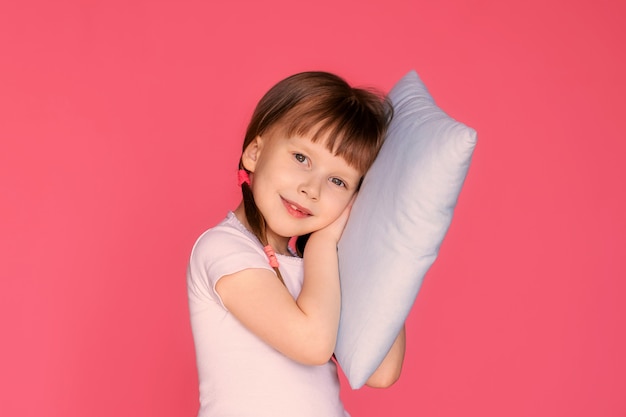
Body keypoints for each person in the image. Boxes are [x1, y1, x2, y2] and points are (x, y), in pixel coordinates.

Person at [187, 71, 406, 417]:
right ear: (255, 153)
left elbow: (381, 370)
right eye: (301, 158)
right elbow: (312, 343)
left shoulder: (318, 267)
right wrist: (322, 245)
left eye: (337, 180)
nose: (312, 189)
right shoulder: (223, 248)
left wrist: (378, 242)